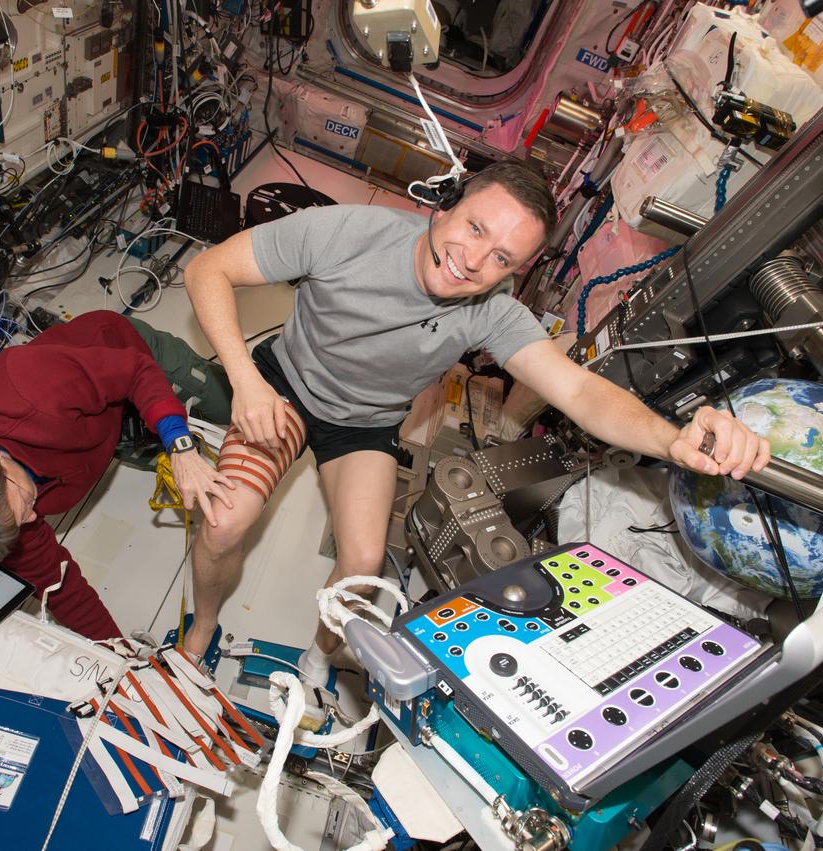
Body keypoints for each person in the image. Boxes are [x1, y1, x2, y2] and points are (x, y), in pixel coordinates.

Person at [180, 160, 772, 684]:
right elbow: (209, 269)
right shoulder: (347, 232)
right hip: (284, 386)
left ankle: (320, 657)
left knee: (362, 562)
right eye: (475, 229)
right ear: (445, 206)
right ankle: (203, 624)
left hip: (362, 425)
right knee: (226, 522)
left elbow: (581, 392)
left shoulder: (492, 312)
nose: (472, 262)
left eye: (501, 259)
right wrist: (246, 381)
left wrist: (676, 438)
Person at [0, 310, 236, 643]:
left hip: (126, 354)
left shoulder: (31, 387)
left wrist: (180, 442)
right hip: (98, 430)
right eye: (20, 523)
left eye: (25, 506)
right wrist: (115, 651)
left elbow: (136, 371)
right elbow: (60, 587)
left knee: (233, 402)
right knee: (187, 458)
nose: (34, 519)